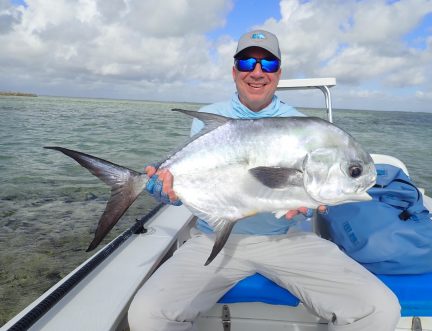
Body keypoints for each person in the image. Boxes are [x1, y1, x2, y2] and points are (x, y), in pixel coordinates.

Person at [128, 29, 400, 331]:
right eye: (247, 63)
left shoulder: (302, 124)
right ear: (234, 71)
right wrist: (167, 190)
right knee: (146, 314)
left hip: (285, 239)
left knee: (380, 309)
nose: (257, 72)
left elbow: (295, 186)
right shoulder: (210, 116)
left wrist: (309, 204)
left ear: (278, 73)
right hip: (212, 238)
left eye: (268, 64)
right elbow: (205, 183)